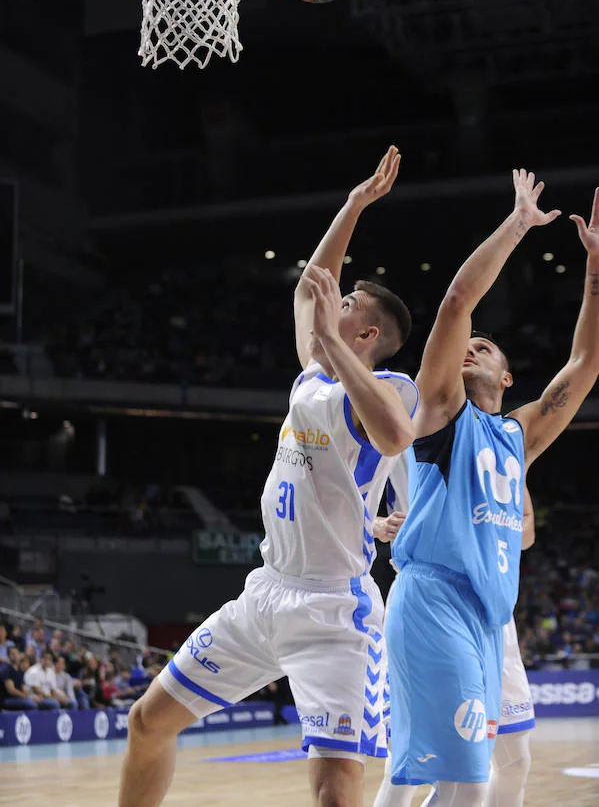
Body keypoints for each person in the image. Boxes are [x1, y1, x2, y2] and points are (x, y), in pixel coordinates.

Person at [118, 146, 419, 807]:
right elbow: (311, 280)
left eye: (345, 304)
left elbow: (396, 435)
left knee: (336, 795)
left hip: (333, 614)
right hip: (263, 597)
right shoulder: (312, 378)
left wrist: (333, 340)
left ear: (364, 332)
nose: (329, 300)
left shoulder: (392, 386)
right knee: (146, 722)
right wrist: (354, 203)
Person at [385, 171, 599, 806]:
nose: (472, 348)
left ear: (508, 379)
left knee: (453, 782)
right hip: (433, 600)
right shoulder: (443, 410)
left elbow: (585, 365)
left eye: (487, 348)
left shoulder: (517, 435)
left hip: (485, 614)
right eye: (467, 347)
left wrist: (596, 269)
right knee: (471, 782)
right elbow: (456, 303)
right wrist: (518, 223)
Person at [372, 484, 536, 807]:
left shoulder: (503, 436)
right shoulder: (406, 435)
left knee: (514, 762)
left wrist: (486, 532)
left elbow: (527, 528)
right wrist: (378, 525)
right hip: (430, 596)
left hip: (492, 601)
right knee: (420, 769)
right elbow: (342, 502)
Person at [0, 645, 39, 710]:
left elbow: (24, 688)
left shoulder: (19, 670)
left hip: (18, 698)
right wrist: (26, 697)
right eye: (12, 654)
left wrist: (31, 696)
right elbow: (11, 690)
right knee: (32, 705)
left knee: (38, 702)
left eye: (17, 653)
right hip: (7, 699)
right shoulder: (6, 669)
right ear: (8, 656)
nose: (15, 656)